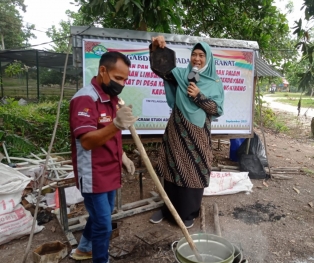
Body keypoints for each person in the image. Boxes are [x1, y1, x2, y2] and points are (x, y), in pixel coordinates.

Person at [148, 36, 224, 228]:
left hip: (198, 134)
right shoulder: (182, 75)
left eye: (201, 55)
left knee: (194, 170)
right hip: (176, 129)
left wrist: (199, 96)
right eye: (194, 55)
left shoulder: (215, 83)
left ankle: (188, 213)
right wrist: (157, 47)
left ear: (208, 59)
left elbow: (217, 109)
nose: (197, 59)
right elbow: (160, 68)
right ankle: (167, 209)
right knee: (172, 168)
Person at [69, 51, 137, 263]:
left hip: (110, 169)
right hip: (94, 173)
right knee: (103, 225)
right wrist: (116, 124)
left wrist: (123, 156)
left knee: (102, 215)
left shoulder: (111, 98)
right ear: (102, 71)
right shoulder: (85, 99)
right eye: (118, 78)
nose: (122, 83)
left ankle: (83, 248)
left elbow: (110, 137)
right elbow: (88, 141)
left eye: (125, 79)